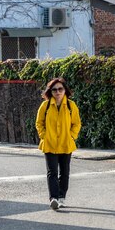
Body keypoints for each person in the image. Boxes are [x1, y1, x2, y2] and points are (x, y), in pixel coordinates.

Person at [35, 77, 82, 210]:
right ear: (51, 92)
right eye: (54, 89)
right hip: (49, 144)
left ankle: (62, 198)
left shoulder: (71, 106)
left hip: (66, 143)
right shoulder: (45, 106)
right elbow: (39, 123)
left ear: (65, 90)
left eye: (60, 89)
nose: (57, 92)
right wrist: (44, 136)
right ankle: (53, 198)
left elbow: (77, 123)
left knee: (65, 172)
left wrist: (71, 136)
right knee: (52, 172)